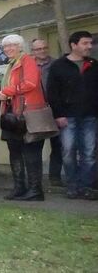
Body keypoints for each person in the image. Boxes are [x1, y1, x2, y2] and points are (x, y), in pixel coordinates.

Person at [47, 31, 98, 200]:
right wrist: (58, 114)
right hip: (67, 116)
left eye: (90, 43)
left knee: (89, 152)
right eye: (85, 43)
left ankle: (86, 186)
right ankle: (72, 185)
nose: (89, 46)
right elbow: (52, 92)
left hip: (90, 116)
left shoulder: (93, 64)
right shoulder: (58, 66)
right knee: (68, 151)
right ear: (73, 45)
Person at [0, 34, 46, 201]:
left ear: (20, 46)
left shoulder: (28, 61)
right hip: (14, 114)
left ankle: (35, 189)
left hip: (28, 114)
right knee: (15, 150)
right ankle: (19, 187)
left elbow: (30, 83)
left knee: (31, 152)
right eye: (5, 47)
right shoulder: (12, 64)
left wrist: (7, 92)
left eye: (12, 45)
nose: (8, 49)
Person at [31, 38, 64, 186]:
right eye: (38, 49)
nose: (42, 51)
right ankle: (35, 179)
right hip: (36, 110)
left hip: (55, 108)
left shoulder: (58, 64)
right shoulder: (29, 66)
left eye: (44, 47)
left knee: (58, 144)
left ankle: (55, 176)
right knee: (36, 145)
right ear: (33, 51)